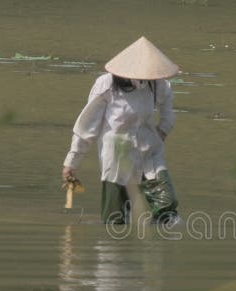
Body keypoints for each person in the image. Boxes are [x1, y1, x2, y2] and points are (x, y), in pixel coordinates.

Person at [62, 36, 179, 224]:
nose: (145, 78)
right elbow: (87, 126)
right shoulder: (106, 84)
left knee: (167, 205)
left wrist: (161, 133)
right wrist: (72, 162)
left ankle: (155, 246)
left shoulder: (159, 84)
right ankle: (115, 249)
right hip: (116, 154)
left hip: (150, 150)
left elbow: (168, 114)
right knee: (115, 218)